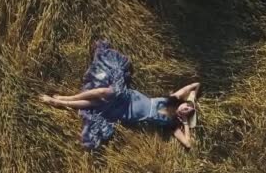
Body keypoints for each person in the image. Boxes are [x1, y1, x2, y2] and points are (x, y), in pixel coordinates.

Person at [40, 40, 200, 149]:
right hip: (129, 97)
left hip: (128, 113)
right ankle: (66, 97)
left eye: (186, 112)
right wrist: (192, 99)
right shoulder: (172, 100)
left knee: (96, 105)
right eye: (185, 107)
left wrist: (186, 123)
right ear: (182, 103)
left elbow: (188, 143)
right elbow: (195, 86)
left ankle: (59, 103)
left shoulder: (172, 125)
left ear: (183, 116)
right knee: (104, 92)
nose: (184, 109)